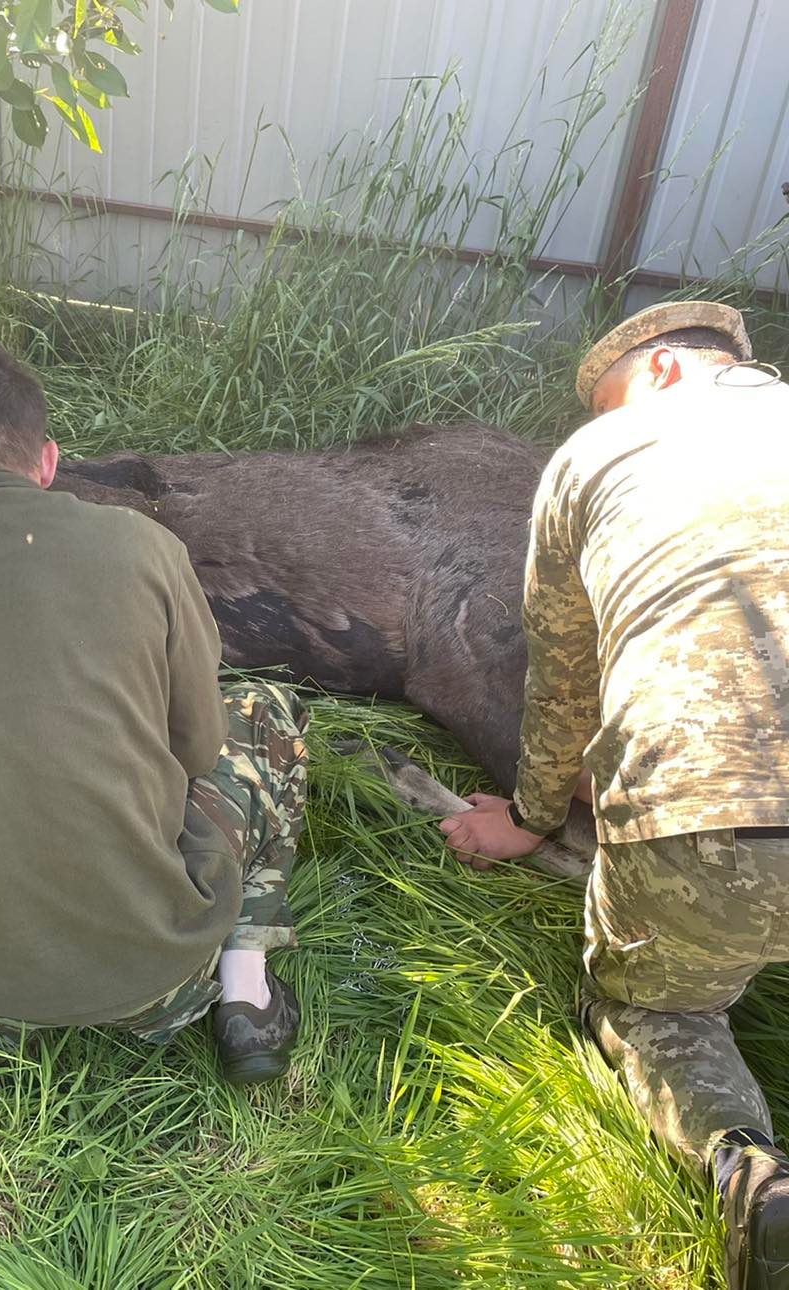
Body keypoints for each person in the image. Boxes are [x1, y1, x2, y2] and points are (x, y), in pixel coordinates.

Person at [0, 344, 309, 1083]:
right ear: (48, 461)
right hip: (161, 979)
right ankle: (243, 981)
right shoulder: (146, 546)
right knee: (264, 712)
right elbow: (199, 747)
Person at [438, 301, 789, 1290]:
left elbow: (564, 679)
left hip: (703, 817)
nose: (596, 425)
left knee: (659, 1014)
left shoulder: (592, 461)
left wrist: (530, 816)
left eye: (607, 403)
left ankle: (750, 1176)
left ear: (666, 370)